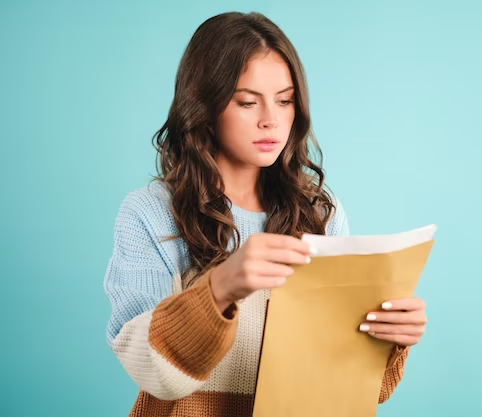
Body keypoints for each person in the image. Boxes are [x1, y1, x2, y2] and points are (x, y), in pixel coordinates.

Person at [103, 11, 427, 417]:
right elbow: (152, 374)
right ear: (204, 104)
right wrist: (219, 288)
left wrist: (389, 337)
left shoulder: (321, 211)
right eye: (247, 101)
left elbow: (344, 384)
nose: (271, 120)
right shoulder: (150, 213)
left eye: (285, 100)